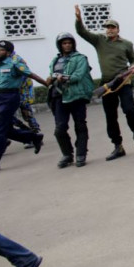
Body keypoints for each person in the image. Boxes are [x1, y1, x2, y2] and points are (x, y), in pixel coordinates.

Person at [75, 5, 134, 160]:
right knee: (110, 116)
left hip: (124, 81)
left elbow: (133, 60)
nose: (109, 30)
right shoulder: (99, 40)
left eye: (112, 27)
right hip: (107, 84)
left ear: (117, 29)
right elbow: (82, 32)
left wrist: (133, 66)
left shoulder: (127, 44)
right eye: (107, 27)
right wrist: (79, 19)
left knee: (130, 109)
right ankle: (117, 146)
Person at [0, 41, 46, 174]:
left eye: (0, 50)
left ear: (8, 53)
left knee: (0, 131)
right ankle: (33, 137)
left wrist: (47, 84)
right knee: (7, 130)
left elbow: (31, 74)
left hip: (10, 97)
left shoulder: (15, 64)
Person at [47, 32, 95, 169]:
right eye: (64, 43)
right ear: (60, 45)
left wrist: (64, 78)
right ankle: (67, 154)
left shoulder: (80, 58)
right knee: (60, 128)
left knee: (80, 125)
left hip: (76, 96)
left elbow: (78, 75)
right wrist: (51, 79)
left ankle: (81, 153)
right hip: (59, 96)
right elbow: (51, 75)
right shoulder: (55, 60)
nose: (67, 45)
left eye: (69, 43)